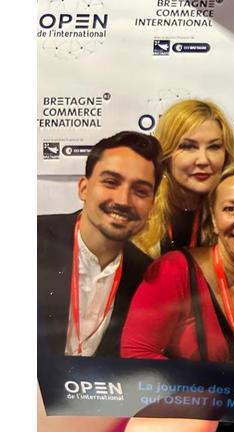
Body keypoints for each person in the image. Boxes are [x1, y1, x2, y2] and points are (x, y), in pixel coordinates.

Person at [121, 160, 234, 364]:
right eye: (231, 209)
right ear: (215, 220)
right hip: (178, 387)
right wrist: (199, 385)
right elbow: (136, 353)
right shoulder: (172, 271)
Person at [38, 131, 162, 357]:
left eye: (140, 191)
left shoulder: (147, 277)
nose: (123, 200)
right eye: (111, 182)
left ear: (152, 205)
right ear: (83, 188)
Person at [133, 99, 234, 258]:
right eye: (188, 147)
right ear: (166, 154)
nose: (203, 160)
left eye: (214, 147)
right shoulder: (136, 213)